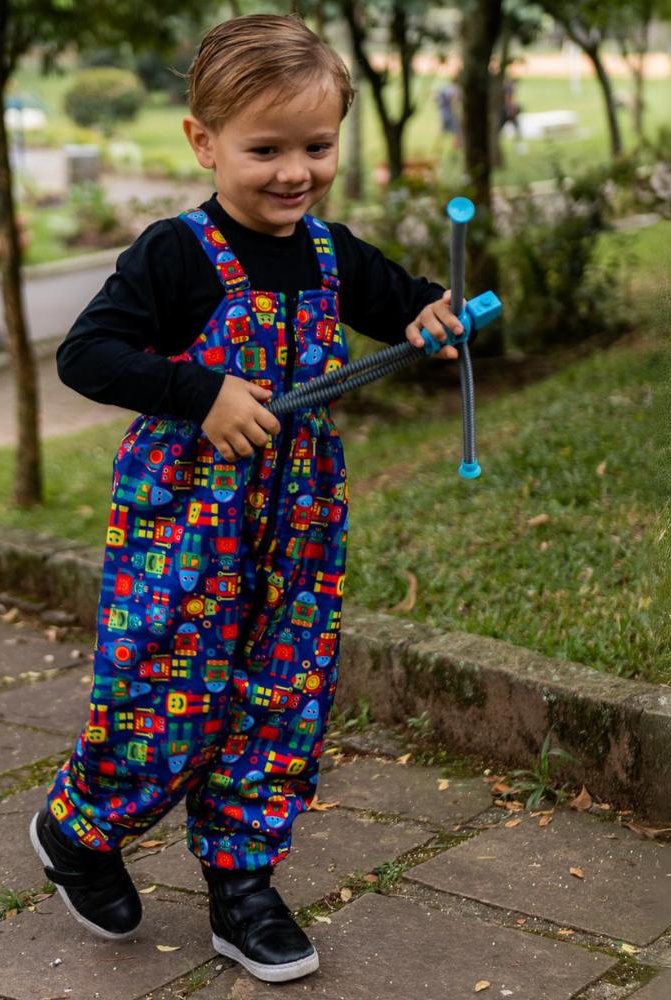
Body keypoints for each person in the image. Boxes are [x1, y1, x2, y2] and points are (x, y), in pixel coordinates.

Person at [29, 12, 463, 984]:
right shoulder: (174, 254)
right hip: (185, 525)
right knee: (162, 700)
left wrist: (432, 311)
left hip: (297, 525)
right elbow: (86, 354)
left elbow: (403, 300)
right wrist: (202, 391)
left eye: (315, 146)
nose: (293, 171)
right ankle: (80, 827)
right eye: (265, 149)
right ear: (204, 141)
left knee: (282, 700)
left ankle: (243, 884)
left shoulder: (328, 253)